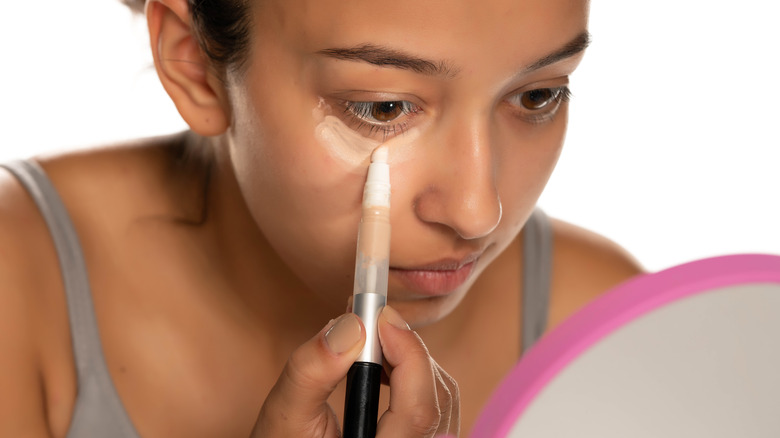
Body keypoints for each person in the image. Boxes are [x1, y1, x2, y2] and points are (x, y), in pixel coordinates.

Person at [0, 0, 643, 436]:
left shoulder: (604, 326)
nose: (478, 212)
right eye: (385, 107)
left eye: (538, 94)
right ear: (194, 62)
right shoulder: (20, 288)